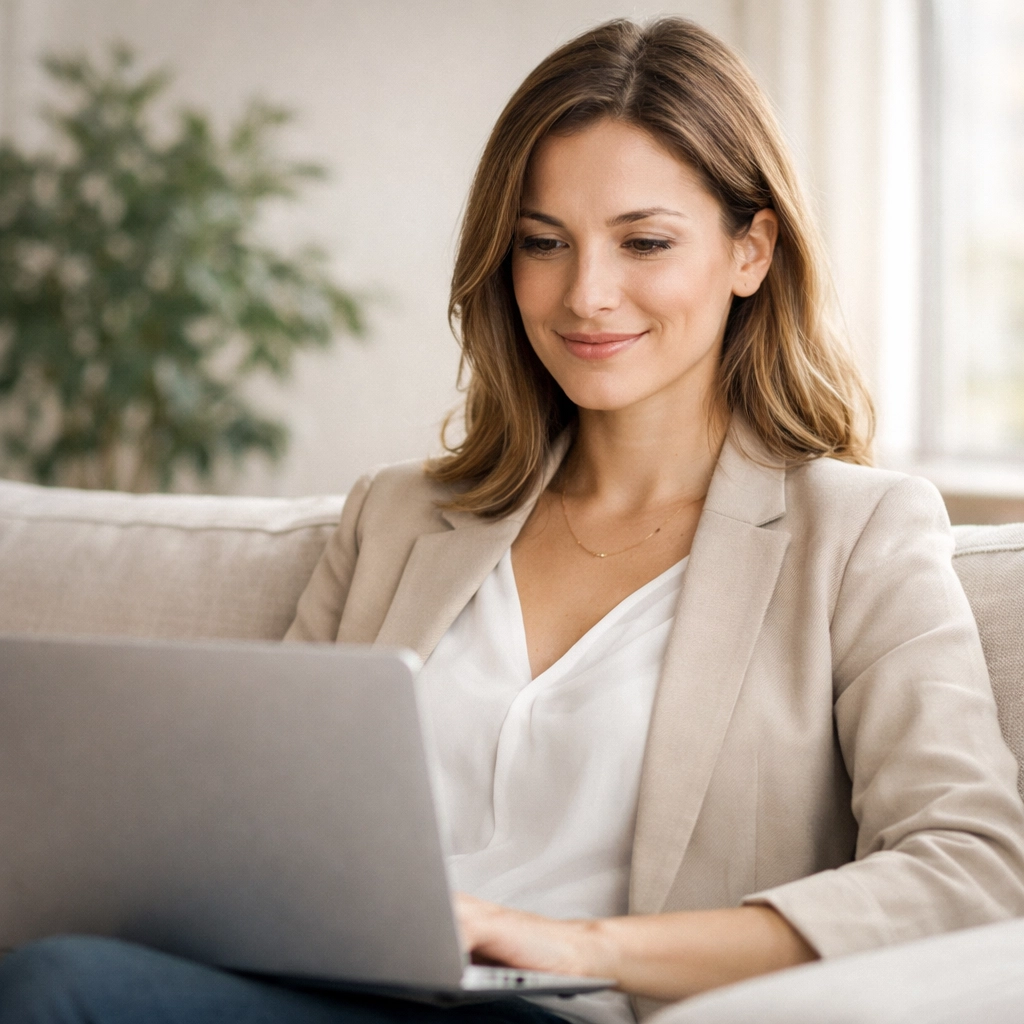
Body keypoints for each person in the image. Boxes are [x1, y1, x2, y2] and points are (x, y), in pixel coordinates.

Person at [2, 16, 1023, 1024]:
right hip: (341, 993)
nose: (585, 294)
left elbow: (973, 868)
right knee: (55, 973)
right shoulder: (399, 519)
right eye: (543, 243)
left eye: (644, 242)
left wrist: (578, 948)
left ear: (750, 249)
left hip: (575, 1011)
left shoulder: (857, 533)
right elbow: (251, 824)